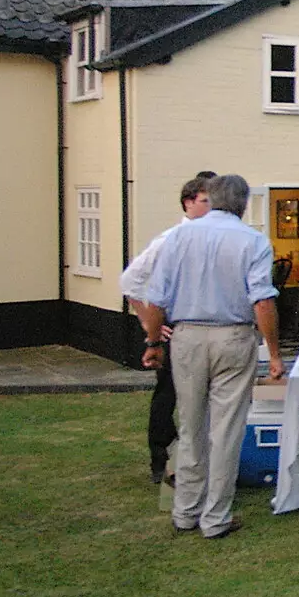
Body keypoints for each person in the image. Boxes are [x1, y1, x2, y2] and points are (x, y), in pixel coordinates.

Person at [142, 174, 284, 539]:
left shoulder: (178, 237)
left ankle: (184, 511)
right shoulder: (253, 240)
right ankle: (215, 516)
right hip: (233, 336)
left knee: (191, 426)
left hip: (187, 335)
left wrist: (153, 342)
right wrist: (274, 352)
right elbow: (262, 300)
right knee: (226, 429)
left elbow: (154, 297)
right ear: (241, 204)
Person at [121, 172, 213, 483]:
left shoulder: (215, 238)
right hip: (173, 326)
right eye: (205, 201)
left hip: (206, 326)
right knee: (169, 394)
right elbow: (131, 281)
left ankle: (200, 460)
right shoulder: (169, 239)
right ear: (189, 203)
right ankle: (162, 459)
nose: (211, 207)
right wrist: (151, 325)